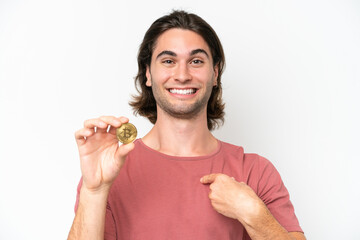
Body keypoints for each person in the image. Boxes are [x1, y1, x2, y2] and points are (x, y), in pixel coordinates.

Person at [68, 10, 305, 240]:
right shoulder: (111, 169)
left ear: (215, 73)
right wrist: (94, 191)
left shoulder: (256, 172)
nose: (182, 75)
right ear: (148, 73)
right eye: (169, 61)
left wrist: (252, 212)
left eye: (196, 61)